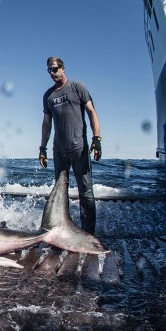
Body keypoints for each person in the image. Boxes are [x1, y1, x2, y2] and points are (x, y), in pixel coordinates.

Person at [39, 56, 101, 235]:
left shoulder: (77, 87)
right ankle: (62, 230)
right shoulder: (48, 96)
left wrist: (97, 139)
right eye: (49, 70)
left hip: (78, 147)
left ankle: (88, 234)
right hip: (59, 150)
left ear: (63, 68)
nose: (52, 73)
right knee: (60, 192)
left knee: (86, 192)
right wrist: (42, 148)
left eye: (55, 69)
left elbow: (91, 112)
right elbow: (46, 124)